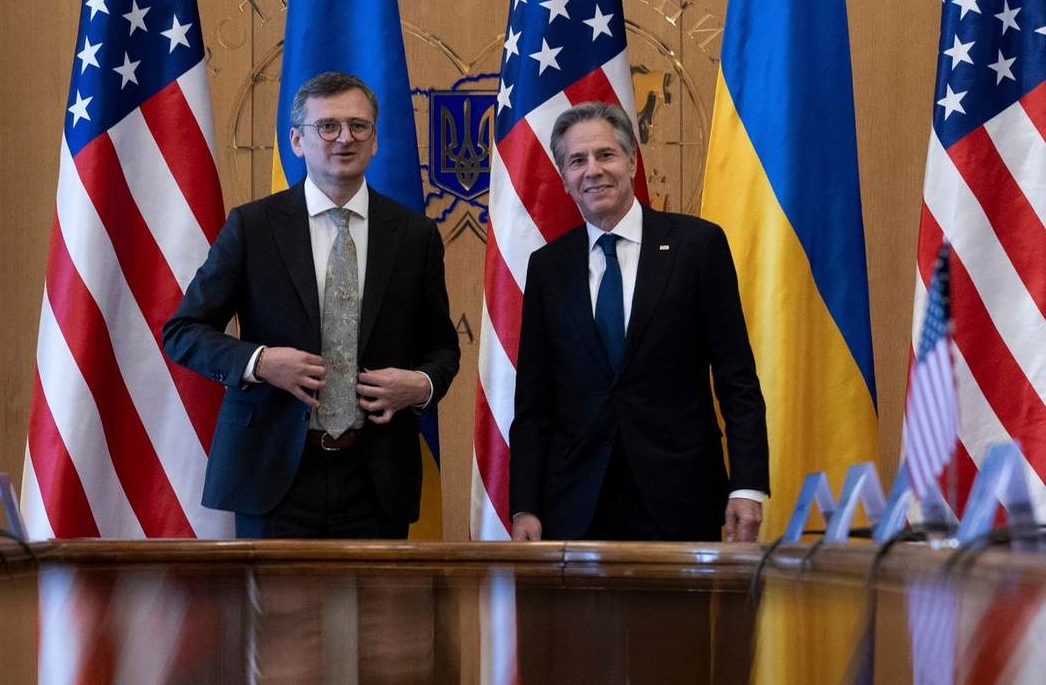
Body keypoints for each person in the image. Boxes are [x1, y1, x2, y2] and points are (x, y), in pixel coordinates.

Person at [163, 71, 460, 539]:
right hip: (273, 472)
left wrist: (420, 385)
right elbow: (183, 331)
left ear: (375, 140)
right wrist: (260, 362)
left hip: (377, 475)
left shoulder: (414, 236)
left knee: (379, 614)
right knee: (276, 615)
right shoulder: (253, 228)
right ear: (298, 141)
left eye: (358, 126)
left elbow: (442, 347)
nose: (344, 138)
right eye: (328, 126)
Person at [509, 101, 768, 543]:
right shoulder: (547, 267)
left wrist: (747, 485)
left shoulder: (697, 246)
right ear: (564, 177)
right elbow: (535, 403)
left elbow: (736, 380)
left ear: (631, 161)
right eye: (577, 161)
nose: (593, 170)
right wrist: (525, 506)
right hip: (575, 505)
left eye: (605, 155)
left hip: (681, 498)